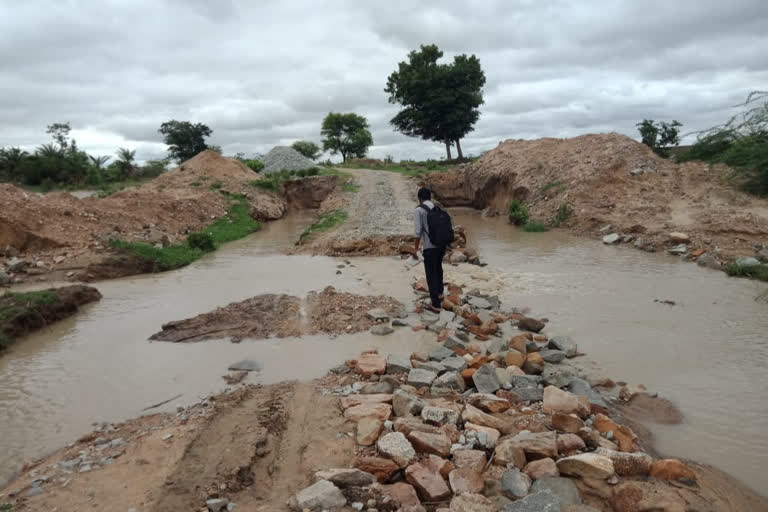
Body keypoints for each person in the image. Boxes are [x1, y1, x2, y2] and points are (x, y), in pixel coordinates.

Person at [414, 187, 444, 312]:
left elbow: (417, 232)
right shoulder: (437, 208)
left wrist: (415, 248)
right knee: (438, 269)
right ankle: (440, 294)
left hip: (429, 247)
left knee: (430, 274)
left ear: (420, 198)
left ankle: (436, 305)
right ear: (430, 197)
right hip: (441, 245)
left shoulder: (419, 210)